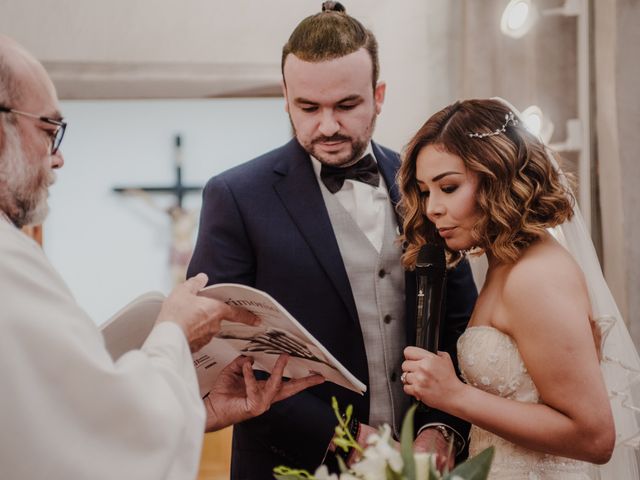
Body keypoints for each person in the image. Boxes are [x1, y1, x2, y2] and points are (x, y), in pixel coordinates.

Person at [0, 35, 323, 480]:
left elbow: (52, 425)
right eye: (48, 130)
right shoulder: (9, 263)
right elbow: (90, 441)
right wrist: (174, 329)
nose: (57, 159)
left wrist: (196, 411)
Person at [187, 2, 478, 477]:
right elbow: (221, 351)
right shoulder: (236, 196)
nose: (327, 126)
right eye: (308, 107)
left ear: (378, 95)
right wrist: (341, 439)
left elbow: (462, 327)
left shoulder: (426, 183)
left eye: (346, 105)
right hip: (292, 463)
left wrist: (442, 429)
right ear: (285, 96)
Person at [398, 97, 640, 479]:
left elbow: (594, 437)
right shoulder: (505, 263)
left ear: (497, 176)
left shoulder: (534, 276)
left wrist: (456, 396)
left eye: (448, 187)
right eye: (426, 191)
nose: (431, 208)